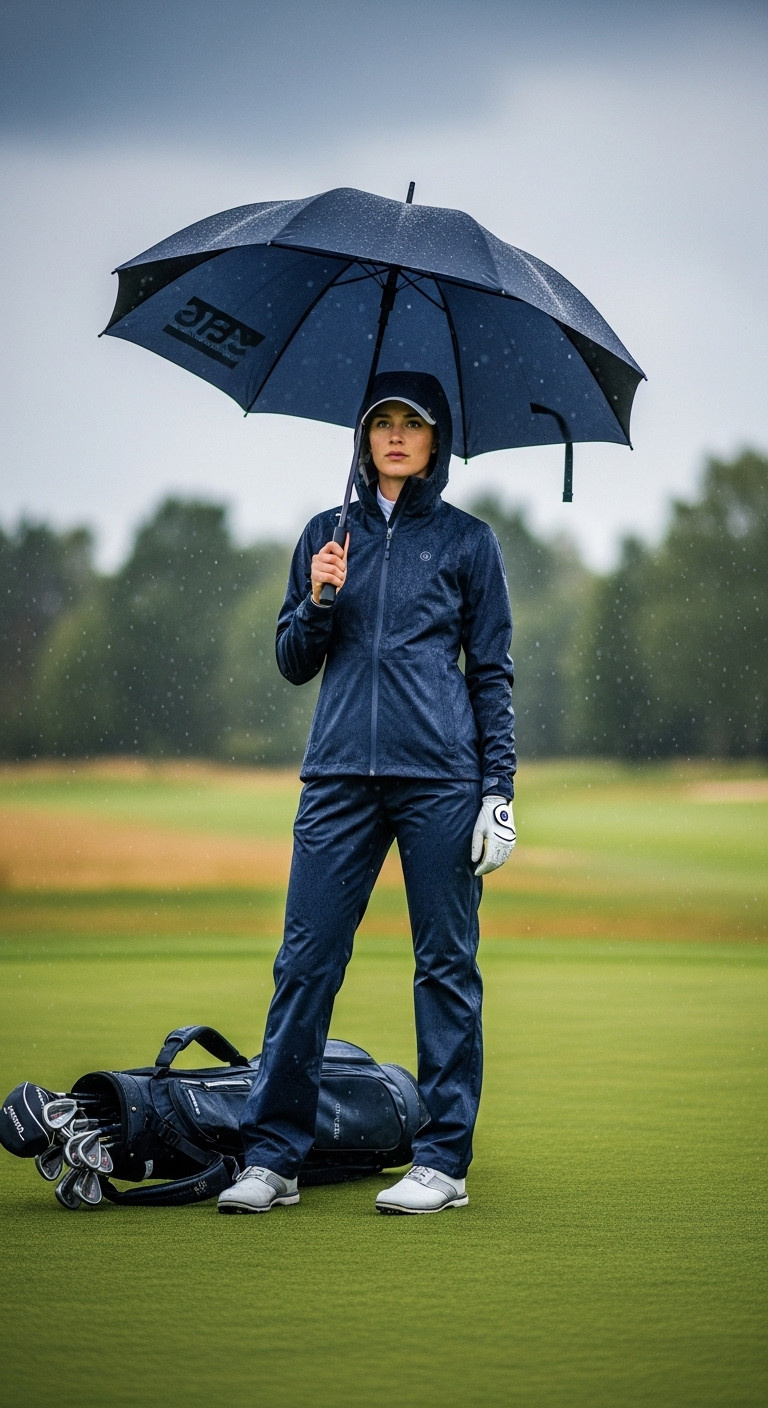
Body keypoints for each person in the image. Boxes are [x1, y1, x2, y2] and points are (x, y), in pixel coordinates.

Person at [218, 370, 516, 1216]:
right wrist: (318, 599)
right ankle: (273, 1156)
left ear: (434, 442)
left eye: (411, 424)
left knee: (445, 968)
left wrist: (498, 790)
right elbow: (291, 661)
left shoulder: (468, 542)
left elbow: (491, 673)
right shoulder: (326, 534)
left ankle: (444, 1162)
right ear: (363, 436)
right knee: (305, 964)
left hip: (440, 782)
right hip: (339, 778)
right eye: (381, 421)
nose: (394, 435)